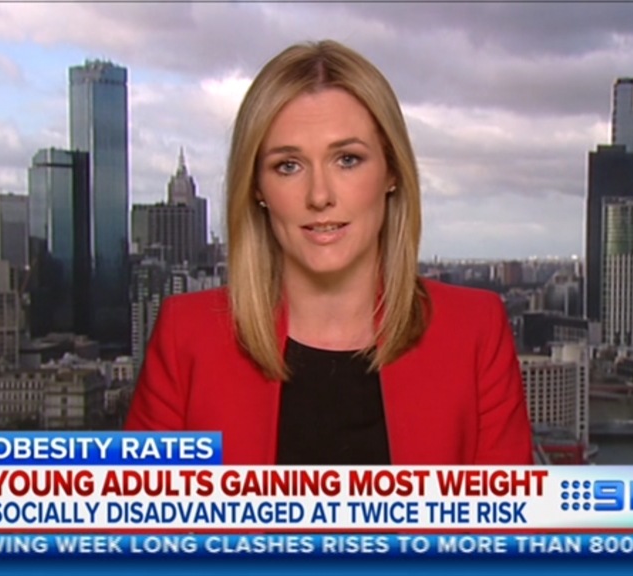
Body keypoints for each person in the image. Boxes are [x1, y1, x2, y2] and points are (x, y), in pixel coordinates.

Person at [125, 40, 533, 465]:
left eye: (348, 160)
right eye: (288, 166)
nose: (319, 196)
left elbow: (508, 507)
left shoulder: (475, 331)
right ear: (257, 188)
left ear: (392, 172)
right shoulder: (186, 337)